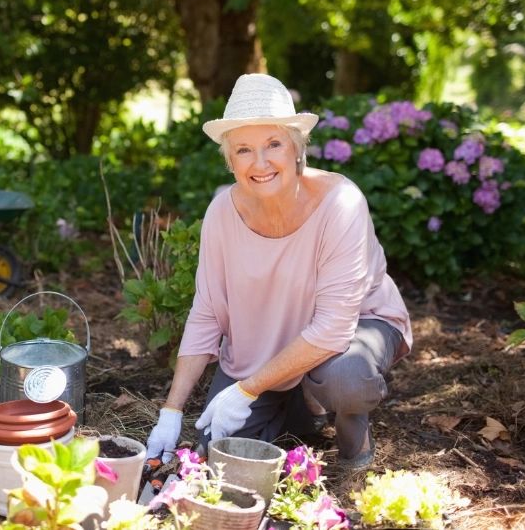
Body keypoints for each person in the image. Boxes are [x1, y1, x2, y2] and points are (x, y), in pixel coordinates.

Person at [145, 74, 413, 471]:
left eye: (273, 144)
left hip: (350, 334)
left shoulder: (340, 203)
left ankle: (353, 436)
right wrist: (171, 410)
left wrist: (247, 390)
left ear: (296, 148)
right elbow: (207, 312)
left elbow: (333, 329)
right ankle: (305, 404)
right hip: (264, 348)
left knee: (345, 375)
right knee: (218, 451)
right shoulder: (221, 213)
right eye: (244, 150)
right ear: (230, 160)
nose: (261, 162)